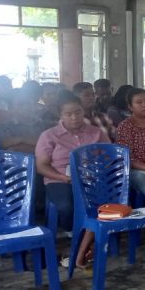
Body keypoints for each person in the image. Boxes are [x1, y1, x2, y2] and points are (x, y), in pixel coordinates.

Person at [35, 93, 110, 267]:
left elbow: (109, 155)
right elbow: (42, 166)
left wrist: (98, 169)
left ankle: (89, 240)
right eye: (68, 114)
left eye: (78, 112)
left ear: (83, 110)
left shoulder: (96, 132)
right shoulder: (49, 135)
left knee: (103, 204)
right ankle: (77, 236)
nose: (74, 117)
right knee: (66, 206)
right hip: (60, 179)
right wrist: (64, 177)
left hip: (92, 178)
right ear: (60, 115)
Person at [115, 88, 145, 210]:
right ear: (130, 107)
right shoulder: (125, 126)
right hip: (136, 171)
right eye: (139, 102)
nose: (144, 105)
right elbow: (125, 158)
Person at [0, 88, 51, 153]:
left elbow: (48, 145)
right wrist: (33, 142)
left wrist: (21, 139)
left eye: (29, 104)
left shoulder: (43, 125)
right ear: (11, 107)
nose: (26, 107)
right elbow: (3, 145)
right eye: (21, 104)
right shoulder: (4, 127)